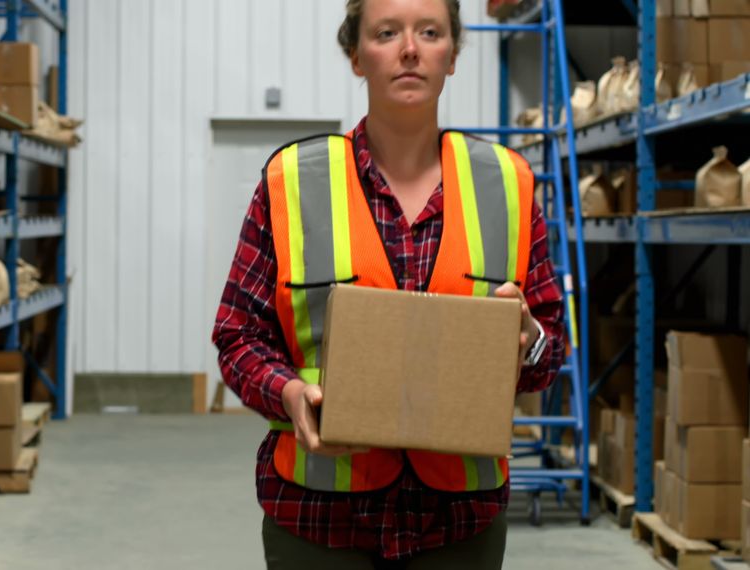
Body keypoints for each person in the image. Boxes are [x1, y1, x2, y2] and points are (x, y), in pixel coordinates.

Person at [211, 0, 568, 568]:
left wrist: (530, 339)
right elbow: (238, 335)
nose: (409, 49)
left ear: (452, 55)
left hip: (459, 526)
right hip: (319, 521)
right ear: (356, 55)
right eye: (386, 32)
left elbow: (550, 345)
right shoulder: (290, 182)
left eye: (430, 32)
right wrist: (290, 393)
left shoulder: (508, 183)